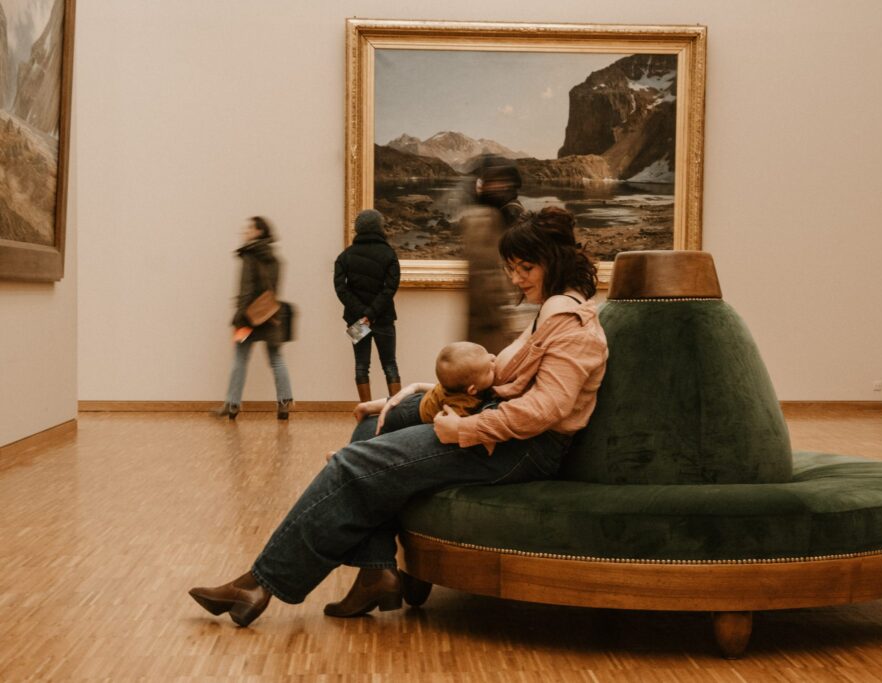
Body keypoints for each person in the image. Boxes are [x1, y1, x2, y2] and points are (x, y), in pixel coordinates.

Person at [189, 206, 607, 627]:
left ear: (554, 261)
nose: (516, 279)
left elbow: (544, 409)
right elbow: (500, 373)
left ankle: (259, 583)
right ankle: (376, 571)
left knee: (353, 464)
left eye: (525, 268)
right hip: (498, 421)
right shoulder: (553, 310)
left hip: (520, 447)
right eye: (512, 268)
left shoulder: (571, 323)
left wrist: (464, 428)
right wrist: (422, 391)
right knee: (373, 423)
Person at [212, 216, 294, 420]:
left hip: (249, 317)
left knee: (240, 359)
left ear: (259, 231)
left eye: (249, 228)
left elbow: (246, 289)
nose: (245, 231)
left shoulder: (249, 255)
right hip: (270, 315)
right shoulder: (275, 258)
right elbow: (273, 289)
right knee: (276, 360)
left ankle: (232, 404)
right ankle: (284, 403)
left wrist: (239, 318)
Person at [462, 157, 532, 354]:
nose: (497, 188)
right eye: (493, 182)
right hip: (493, 322)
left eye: (501, 182)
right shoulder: (487, 219)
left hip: (497, 322)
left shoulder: (502, 215)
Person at [353, 340, 497, 434]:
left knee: (397, 402)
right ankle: (365, 411)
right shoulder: (461, 404)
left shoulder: (455, 385)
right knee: (387, 423)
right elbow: (450, 424)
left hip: (419, 399)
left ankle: (367, 406)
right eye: (489, 370)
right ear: (472, 390)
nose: (494, 364)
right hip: (413, 415)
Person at [334, 209, 402, 402]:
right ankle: (396, 410)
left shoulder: (345, 255)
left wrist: (363, 315)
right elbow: (390, 288)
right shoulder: (389, 254)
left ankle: (365, 410)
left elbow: (341, 289)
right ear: (379, 227)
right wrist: (372, 314)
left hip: (357, 320)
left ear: (358, 228)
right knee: (390, 365)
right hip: (383, 318)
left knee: (361, 366)